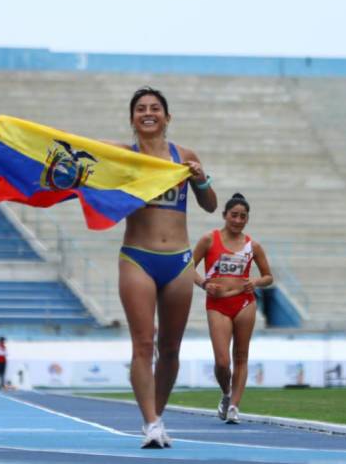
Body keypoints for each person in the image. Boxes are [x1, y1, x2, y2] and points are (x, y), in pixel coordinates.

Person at [105, 86, 217, 448]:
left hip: (179, 261)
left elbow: (211, 205)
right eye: (140, 108)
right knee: (144, 343)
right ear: (132, 118)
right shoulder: (123, 156)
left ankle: (156, 417)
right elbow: (78, 157)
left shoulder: (184, 156)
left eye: (155, 108)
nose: (148, 112)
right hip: (138, 257)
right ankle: (151, 422)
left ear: (167, 117)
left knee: (170, 348)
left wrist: (200, 179)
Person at [192, 193, 273, 424]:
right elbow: (188, 267)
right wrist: (205, 284)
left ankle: (235, 407)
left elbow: (269, 277)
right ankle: (226, 393)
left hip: (245, 302)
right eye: (234, 215)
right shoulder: (209, 239)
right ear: (224, 215)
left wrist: (255, 282)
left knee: (241, 357)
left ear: (247, 219)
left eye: (243, 217)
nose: (238, 220)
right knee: (222, 362)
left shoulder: (252, 245)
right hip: (217, 304)